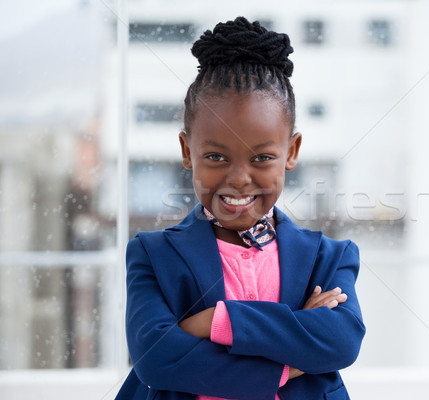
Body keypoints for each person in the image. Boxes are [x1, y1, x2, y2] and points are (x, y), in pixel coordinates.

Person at [116, 16, 365, 400]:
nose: (239, 178)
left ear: (291, 153)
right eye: (216, 156)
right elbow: (154, 357)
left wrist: (218, 320)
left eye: (262, 158)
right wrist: (291, 360)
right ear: (187, 152)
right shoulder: (152, 255)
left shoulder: (329, 257)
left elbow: (341, 342)